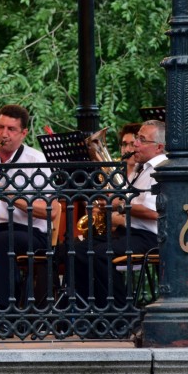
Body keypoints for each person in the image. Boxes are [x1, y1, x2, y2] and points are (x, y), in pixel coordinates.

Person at [72, 120, 162, 309]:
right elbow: (130, 201)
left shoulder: (159, 170)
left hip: (150, 237)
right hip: (131, 232)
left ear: (159, 147)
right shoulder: (142, 168)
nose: (135, 144)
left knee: (100, 254)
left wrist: (119, 206)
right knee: (75, 249)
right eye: (137, 138)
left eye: (142, 140)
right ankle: (88, 312)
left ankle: (119, 314)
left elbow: (153, 213)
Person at [0, 104, 57, 310]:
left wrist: (8, 195)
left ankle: (3, 312)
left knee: (2, 242)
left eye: (11, 129)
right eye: (0, 128)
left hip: (31, 232)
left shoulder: (37, 160)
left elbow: (51, 211)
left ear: (23, 133)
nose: (3, 134)